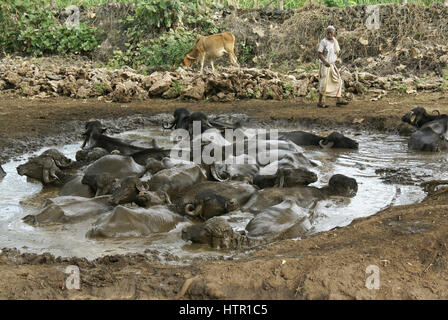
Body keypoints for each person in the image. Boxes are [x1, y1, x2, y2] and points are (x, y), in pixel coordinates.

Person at [317, 26, 348, 108]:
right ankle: (320, 102)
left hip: (331, 64)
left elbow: (336, 52)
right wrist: (325, 62)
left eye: (331, 32)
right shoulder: (323, 42)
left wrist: (332, 62)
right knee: (324, 83)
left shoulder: (335, 41)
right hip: (325, 65)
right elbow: (319, 54)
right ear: (326, 32)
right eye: (328, 32)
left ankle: (339, 101)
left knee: (338, 80)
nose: (329, 34)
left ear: (334, 32)